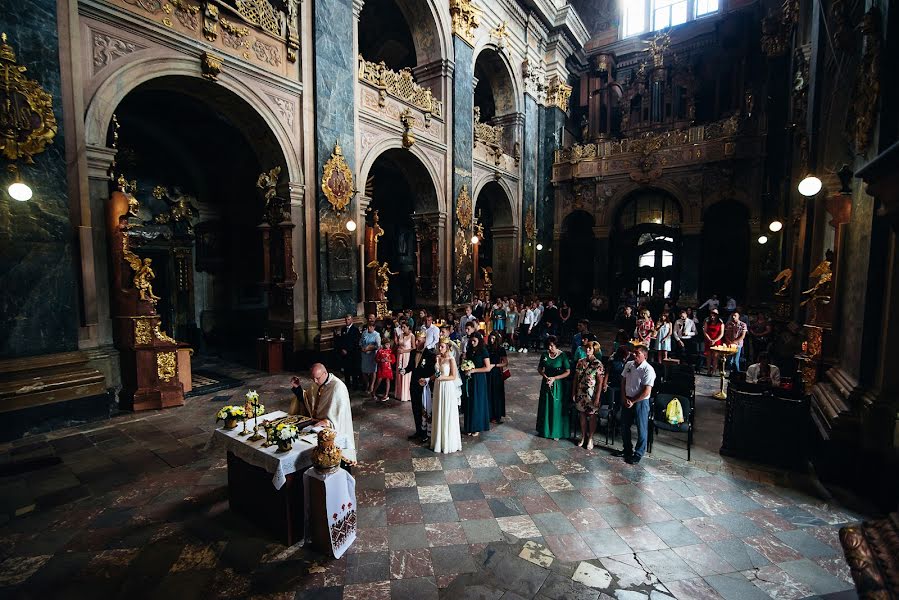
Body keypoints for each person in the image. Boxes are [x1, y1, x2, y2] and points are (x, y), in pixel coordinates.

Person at [289, 364, 356, 462]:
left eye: (317, 378)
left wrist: (327, 422)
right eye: (313, 378)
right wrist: (298, 388)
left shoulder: (338, 387)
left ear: (325, 373)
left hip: (329, 428)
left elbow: (340, 415)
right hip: (315, 425)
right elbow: (308, 401)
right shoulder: (316, 383)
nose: (315, 381)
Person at [619, 345, 655, 465]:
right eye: (634, 353)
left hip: (640, 401)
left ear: (644, 356)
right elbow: (623, 381)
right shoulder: (629, 364)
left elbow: (646, 391)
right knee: (624, 425)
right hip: (627, 398)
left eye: (638, 353)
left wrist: (633, 401)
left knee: (641, 427)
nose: (634, 355)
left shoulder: (648, 370)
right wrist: (624, 397)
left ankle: (638, 453)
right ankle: (627, 449)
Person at [431, 337, 463, 453]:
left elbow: (453, 376)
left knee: (446, 411)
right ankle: (438, 440)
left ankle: (448, 441)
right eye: (439, 346)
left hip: (447, 387)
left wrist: (441, 378)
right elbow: (435, 373)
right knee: (438, 411)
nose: (439, 348)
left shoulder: (451, 359)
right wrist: (431, 378)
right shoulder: (438, 357)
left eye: (442, 346)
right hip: (438, 387)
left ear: (448, 347)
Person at [573, 340, 606, 450]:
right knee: (582, 415)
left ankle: (590, 438)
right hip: (581, 392)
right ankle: (583, 436)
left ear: (594, 350)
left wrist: (597, 397)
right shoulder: (580, 362)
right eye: (586, 348)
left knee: (592, 416)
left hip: (592, 393)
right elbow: (575, 379)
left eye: (590, 348)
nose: (587, 350)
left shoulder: (598, 364)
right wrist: (574, 392)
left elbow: (600, 382)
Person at [536, 335, 571, 440]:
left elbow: (568, 372)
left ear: (556, 345)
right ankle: (544, 430)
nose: (549, 348)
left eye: (551, 346)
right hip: (546, 383)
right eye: (548, 346)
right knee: (545, 405)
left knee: (556, 407)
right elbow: (539, 368)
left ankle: (556, 432)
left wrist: (555, 378)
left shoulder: (562, 356)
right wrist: (545, 376)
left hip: (557, 385)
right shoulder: (544, 354)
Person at [461, 332, 491, 436]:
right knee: (469, 401)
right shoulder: (469, 350)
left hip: (479, 379)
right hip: (469, 378)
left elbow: (487, 368)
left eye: (475, 341)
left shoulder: (483, 351)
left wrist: (474, 370)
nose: (473, 342)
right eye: (471, 341)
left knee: (477, 402)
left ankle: (477, 426)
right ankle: (469, 426)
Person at [408, 331, 436, 440]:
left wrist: (427, 380)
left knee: (424, 409)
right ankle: (418, 431)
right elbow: (410, 366)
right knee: (415, 408)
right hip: (413, 384)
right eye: (416, 340)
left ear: (424, 341)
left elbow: (432, 371)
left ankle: (425, 433)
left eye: (419, 340)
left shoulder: (430, 355)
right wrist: (404, 370)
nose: (416, 342)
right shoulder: (413, 352)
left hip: (424, 386)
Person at [334, 314, 361, 389]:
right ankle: (347, 385)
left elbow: (355, 342)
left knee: (354, 370)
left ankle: (355, 385)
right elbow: (342, 341)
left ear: (352, 320)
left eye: (348, 319)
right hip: (345, 354)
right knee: (346, 370)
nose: (347, 321)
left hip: (352, 354)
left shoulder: (355, 330)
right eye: (346, 320)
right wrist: (342, 349)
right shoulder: (343, 329)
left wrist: (347, 350)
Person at [486, 332, 507, 424]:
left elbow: (505, 363)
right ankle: (488, 414)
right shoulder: (487, 348)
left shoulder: (501, 349)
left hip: (496, 372)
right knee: (488, 393)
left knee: (496, 394)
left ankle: (496, 415)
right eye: (490, 338)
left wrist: (494, 365)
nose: (491, 340)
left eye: (493, 339)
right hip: (487, 372)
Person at [360, 322, 381, 397]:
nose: (369, 328)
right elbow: (361, 342)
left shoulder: (376, 335)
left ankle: (371, 385)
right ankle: (367, 384)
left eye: (371, 327)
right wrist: (362, 348)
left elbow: (378, 346)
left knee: (373, 371)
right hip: (364, 354)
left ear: (374, 327)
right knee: (364, 371)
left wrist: (370, 348)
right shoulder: (364, 333)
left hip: (372, 355)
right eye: (368, 327)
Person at [395, 322, 413, 402]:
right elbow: (398, 344)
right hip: (400, 356)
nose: (402, 329)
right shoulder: (401, 335)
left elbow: (413, 348)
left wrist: (404, 351)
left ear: (408, 327)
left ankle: (406, 394)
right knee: (399, 373)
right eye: (401, 327)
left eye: (404, 327)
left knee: (406, 373)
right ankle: (399, 393)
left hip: (406, 356)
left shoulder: (412, 336)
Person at [703, 309, 725, 375]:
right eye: (711, 315)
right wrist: (709, 339)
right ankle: (708, 370)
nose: (712, 317)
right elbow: (705, 331)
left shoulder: (720, 323)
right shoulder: (707, 322)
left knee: (715, 356)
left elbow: (721, 334)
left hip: (717, 341)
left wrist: (715, 340)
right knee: (708, 356)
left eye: (714, 316)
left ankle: (714, 370)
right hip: (708, 340)